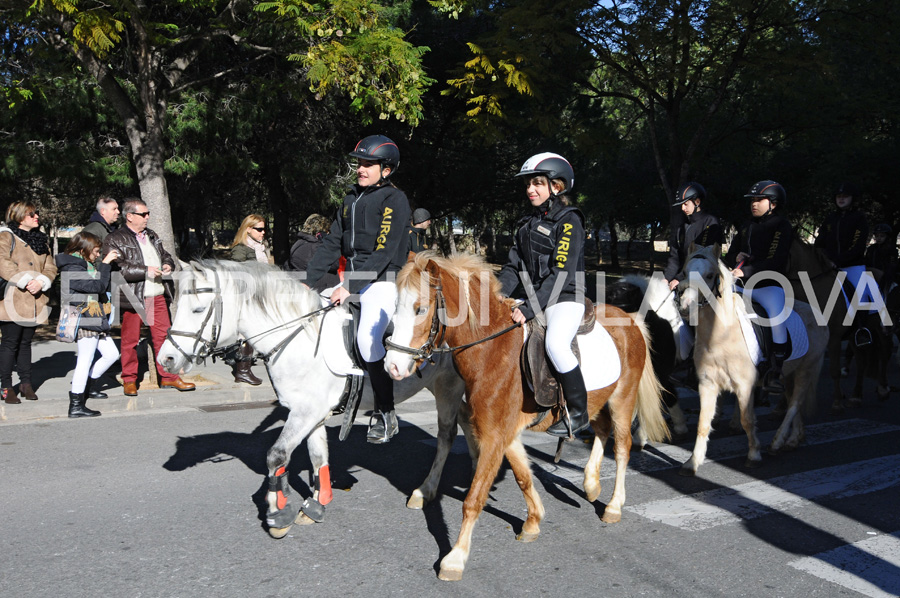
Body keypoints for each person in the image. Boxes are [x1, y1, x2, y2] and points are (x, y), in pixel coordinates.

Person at [305, 134, 411, 444]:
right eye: (359, 163)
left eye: (367, 164)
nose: (360, 169)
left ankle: (385, 412)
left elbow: (384, 251)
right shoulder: (350, 199)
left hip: (383, 280)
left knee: (366, 339)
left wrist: (349, 286)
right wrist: (306, 280)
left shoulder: (394, 200)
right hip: (352, 281)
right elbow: (331, 242)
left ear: (386, 170)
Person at [497, 153, 589, 437]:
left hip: (565, 296)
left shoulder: (569, 220)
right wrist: (493, 296)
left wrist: (529, 308)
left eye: (537, 183)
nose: (530, 189)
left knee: (556, 345)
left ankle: (578, 412)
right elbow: (513, 267)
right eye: (528, 184)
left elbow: (561, 273)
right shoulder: (525, 224)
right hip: (534, 295)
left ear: (557, 187)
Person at [102, 198, 195, 396]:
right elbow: (118, 268)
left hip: (156, 295)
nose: (147, 217)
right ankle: (129, 379)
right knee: (130, 340)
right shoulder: (115, 238)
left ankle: (169, 377)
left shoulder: (151, 235)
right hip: (133, 297)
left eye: (148, 213)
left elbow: (165, 254)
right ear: (129, 216)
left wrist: (168, 264)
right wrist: (145, 271)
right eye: (143, 214)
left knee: (163, 338)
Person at [724, 180, 793, 393]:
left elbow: (776, 259)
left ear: (773, 203)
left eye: (759, 200)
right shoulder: (745, 226)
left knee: (776, 317)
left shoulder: (782, 226)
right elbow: (728, 257)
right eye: (752, 200)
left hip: (769, 285)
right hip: (740, 285)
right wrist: (736, 257)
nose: (754, 204)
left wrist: (747, 270)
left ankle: (775, 370)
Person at [55, 232, 121, 417]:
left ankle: (88, 388)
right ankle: (76, 405)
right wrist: (106, 264)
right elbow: (97, 287)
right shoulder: (71, 267)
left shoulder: (85, 265)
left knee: (112, 354)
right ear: (84, 249)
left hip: (93, 316)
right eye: (97, 251)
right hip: (84, 317)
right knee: (85, 360)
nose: (99, 255)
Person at [0, 202, 57, 404]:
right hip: (13, 298)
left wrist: (42, 281)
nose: (36, 217)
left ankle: (26, 384)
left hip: (35, 299)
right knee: (10, 343)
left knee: (25, 343)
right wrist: (25, 280)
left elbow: (50, 267)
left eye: (37, 213)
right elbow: (2, 262)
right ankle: (6, 386)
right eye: (31, 214)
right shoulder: (6, 236)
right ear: (19, 216)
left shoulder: (41, 240)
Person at [815, 183, 876, 338]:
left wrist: (838, 261)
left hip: (852, 266)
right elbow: (820, 242)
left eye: (845, 197)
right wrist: (822, 258)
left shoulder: (859, 218)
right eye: (838, 197)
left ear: (852, 199)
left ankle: (862, 330)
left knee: (860, 295)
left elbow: (858, 246)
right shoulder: (830, 219)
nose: (841, 199)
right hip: (830, 266)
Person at [224, 214, 268, 385]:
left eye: (264, 229)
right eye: (259, 229)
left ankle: (245, 368)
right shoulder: (241, 249)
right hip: (245, 296)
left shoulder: (259, 247)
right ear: (248, 229)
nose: (263, 232)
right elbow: (235, 274)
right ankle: (242, 370)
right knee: (245, 333)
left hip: (259, 294)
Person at [663, 182, 723, 291]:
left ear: (697, 202)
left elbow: (702, 259)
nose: (682, 208)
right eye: (681, 204)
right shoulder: (681, 228)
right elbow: (674, 258)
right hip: (682, 279)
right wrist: (666, 278)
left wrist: (679, 278)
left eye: (685, 204)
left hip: (703, 282)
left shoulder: (710, 223)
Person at [285, 213, 340, 290]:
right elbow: (335, 264)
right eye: (327, 232)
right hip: (321, 290)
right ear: (321, 232)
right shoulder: (316, 247)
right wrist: (325, 241)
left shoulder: (298, 243)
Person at [866, 223, 898, 297]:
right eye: (877, 236)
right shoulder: (871, 249)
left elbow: (892, 265)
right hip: (871, 276)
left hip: (885, 278)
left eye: (882, 236)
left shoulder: (891, 250)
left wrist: (885, 277)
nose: (879, 238)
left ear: (887, 237)